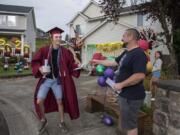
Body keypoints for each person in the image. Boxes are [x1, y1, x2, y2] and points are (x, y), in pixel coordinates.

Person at [91, 28, 147, 135]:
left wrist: (121, 84)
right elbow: (113, 62)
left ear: (130, 37)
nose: (122, 38)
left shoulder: (139, 54)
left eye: (124, 36)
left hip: (132, 96)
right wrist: (97, 61)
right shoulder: (126, 52)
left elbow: (139, 75)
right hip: (124, 94)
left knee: (131, 125)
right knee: (126, 123)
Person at [31, 27, 81, 133]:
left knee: (60, 101)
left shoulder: (65, 52)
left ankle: (62, 122)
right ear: (52, 38)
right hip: (46, 80)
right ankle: (43, 120)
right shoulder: (44, 50)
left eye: (60, 37)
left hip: (58, 81)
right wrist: (40, 68)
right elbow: (35, 62)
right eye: (56, 37)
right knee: (39, 101)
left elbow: (71, 64)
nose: (59, 39)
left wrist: (77, 63)